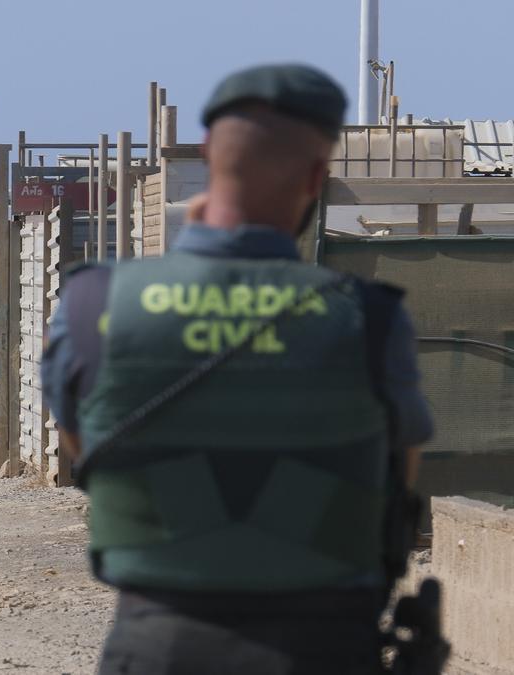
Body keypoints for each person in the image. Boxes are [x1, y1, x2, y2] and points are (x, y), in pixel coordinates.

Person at [42, 64, 434, 674]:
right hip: (326, 648)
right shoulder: (370, 319)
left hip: (158, 647)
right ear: (316, 178)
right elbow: (396, 481)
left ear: (207, 157)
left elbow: (86, 449)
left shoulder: (94, 304)